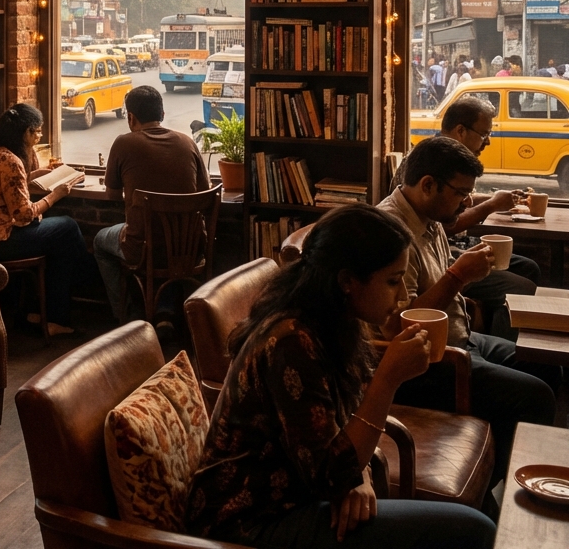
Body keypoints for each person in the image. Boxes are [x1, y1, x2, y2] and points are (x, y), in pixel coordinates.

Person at [186, 205, 495, 549]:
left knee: (470, 528)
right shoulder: (291, 341)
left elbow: (340, 425)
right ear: (347, 281)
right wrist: (388, 379)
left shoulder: (335, 319)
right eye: (393, 281)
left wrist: (357, 477)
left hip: (299, 495)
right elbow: (330, 475)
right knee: (471, 531)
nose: (403, 297)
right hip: (247, 520)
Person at [377, 136, 556, 485]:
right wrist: (459, 276)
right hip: (431, 361)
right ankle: (496, 491)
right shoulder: (391, 231)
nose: (468, 201)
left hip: (464, 339)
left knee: (545, 361)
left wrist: (470, 271)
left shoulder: (428, 218)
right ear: (428, 185)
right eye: (461, 193)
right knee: (535, 397)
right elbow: (398, 325)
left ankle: (515, 473)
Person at [391, 96, 540, 337]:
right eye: (484, 134)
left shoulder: (449, 163)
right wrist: (490, 205)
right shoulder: (427, 165)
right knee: (521, 287)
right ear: (460, 130)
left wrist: (489, 200)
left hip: (446, 254)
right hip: (440, 257)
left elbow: (452, 207)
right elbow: (439, 223)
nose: (488, 142)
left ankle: (494, 341)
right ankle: (502, 343)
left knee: (528, 266)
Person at [0, 103, 93, 336]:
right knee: (67, 227)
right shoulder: (10, 160)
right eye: (37, 131)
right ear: (26, 133)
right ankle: (67, 303)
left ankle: (40, 312)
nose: (40, 136)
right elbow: (23, 214)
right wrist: (56, 194)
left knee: (60, 245)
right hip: (2, 242)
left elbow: (0, 186)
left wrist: (32, 175)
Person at [93, 85, 210, 321]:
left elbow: (112, 196)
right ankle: (164, 311)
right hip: (191, 249)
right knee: (167, 243)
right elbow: (205, 191)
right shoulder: (187, 142)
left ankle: (125, 318)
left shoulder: (123, 143)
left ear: (131, 117)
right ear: (163, 115)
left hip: (143, 249)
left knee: (99, 242)